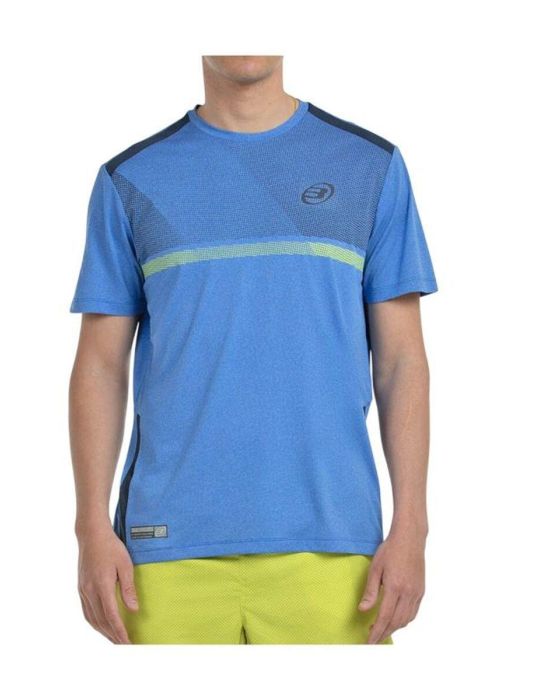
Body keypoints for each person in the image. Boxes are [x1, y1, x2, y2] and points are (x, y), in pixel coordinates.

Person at [68, 55, 438, 645]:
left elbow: (401, 362)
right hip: (164, 554)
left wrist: (412, 528)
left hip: (336, 550)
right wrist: (90, 528)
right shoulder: (131, 179)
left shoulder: (371, 167)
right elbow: (100, 364)